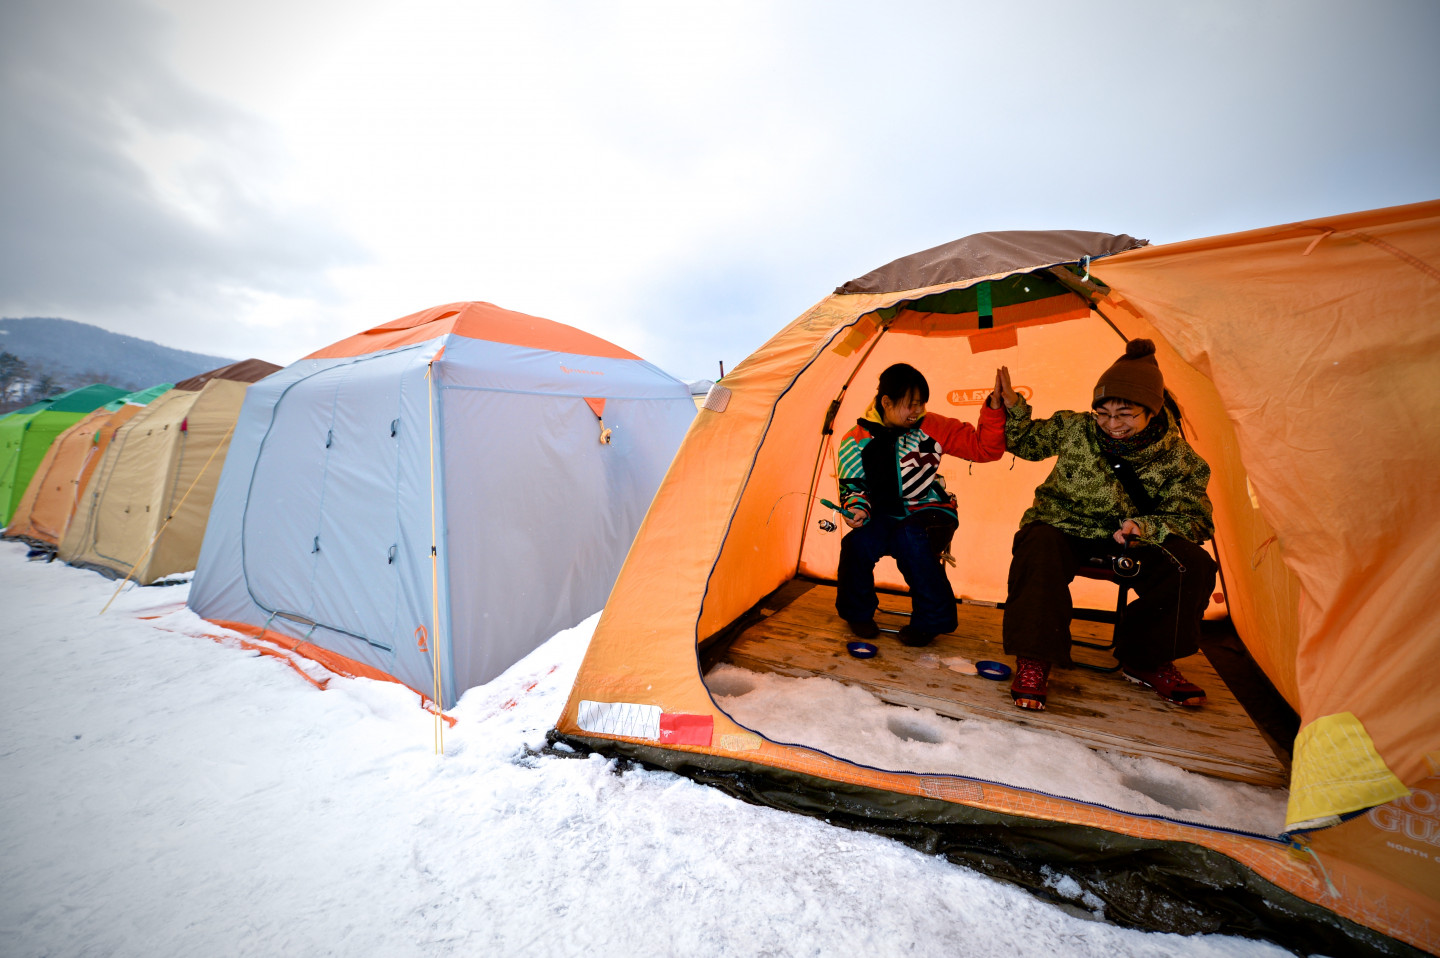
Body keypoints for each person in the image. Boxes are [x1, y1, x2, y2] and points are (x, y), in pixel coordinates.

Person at [995, 340, 1217, 711]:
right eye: (1103, 413)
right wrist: (1014, 406)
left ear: (1152, 410)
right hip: (1062, 525)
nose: (1112, 425)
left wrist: (1146, 527)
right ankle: (1034, 657)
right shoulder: (1075, 428)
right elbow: (1024, 442)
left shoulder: (1180, 459)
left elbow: (1196, 519)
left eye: (1125, 414)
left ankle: (1146, 658)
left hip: (1131, 538)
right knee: (1037, 547)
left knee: (1191, 566)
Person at [835, 363, 1006, 647]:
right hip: (884, 515)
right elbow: (854, 488)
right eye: (910, 405)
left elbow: (985, 449)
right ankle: (858, 614)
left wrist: (994, 407)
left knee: (910, 536)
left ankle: (931, 620)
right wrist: (856, 509)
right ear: (886, 402)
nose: (917, 412)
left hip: (931, 511)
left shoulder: (932, 427)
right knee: (857, 543)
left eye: (921, 404)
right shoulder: (855, 440)